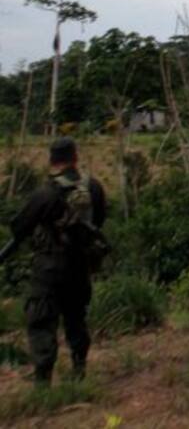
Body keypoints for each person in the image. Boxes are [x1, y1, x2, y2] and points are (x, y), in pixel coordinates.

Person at [0, 137, 107, 383]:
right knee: (76, 317)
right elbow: (99, 220)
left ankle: (43, 378)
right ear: (75, 158)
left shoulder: (45, 193)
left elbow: (19, 227)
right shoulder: (93, 187)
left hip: (48, 268)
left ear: (52, 161)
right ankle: (79, 369)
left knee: (41, 320)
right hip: (80, 266)